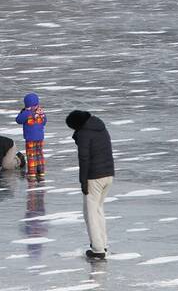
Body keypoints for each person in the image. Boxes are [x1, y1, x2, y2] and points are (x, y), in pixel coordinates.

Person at [66, 110, 115, 261]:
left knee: (90, 214)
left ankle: (98, 249)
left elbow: (84, 159)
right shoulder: (100, 127)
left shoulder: (84, 134)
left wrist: (83, 181)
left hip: (94, 177)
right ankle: (103, 244)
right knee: (99, 210)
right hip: (108, 174)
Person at [16, 93, 47, 181]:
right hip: (40, 138)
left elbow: (18, 120)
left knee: (31, 155)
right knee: (39, 154)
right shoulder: (41, 112)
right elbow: (44, 122)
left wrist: (25, 112)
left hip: (30, 139)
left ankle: (32, 173)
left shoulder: (26, 113)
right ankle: (41, 171)